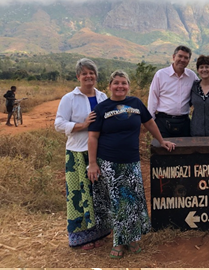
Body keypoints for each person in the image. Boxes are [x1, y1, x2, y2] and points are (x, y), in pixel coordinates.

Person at [87, 70, 175, 259]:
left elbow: (150, 123)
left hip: (132, 161)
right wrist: (92, 163)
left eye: (124, 83)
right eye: (116, 83)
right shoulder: (101, 108)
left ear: (128, 86)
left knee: (133, 201)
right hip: (109, 162)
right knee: (118, 202)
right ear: (109, 86)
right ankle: (119, 241)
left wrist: (161, 141)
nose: (120, 86)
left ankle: (133, 238)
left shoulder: (136, 104)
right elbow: (93, 137)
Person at [54, 59, 111, 249]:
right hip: (77, 153)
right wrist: (82, 125)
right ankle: (81, 236)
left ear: (96, 76)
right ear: (78, 76)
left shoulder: (103, 97)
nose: (88, 76)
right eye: (84, 73)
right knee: (78, 195)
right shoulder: (69, 98)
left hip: (100, 152)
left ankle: (100, 232)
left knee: (98, 194)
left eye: (91, 73)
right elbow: (59, 124)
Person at [148, 45, 198, 137]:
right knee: (162, 150)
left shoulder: (192, 76)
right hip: (163, 122)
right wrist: (151, 122)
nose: (182, 60)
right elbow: (153, 98)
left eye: (186, 58)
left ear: (189, 60)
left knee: (185, 150)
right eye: (180, 56)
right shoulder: (160, 75)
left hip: (184, 122)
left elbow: (201, 94)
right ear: (174, 57)